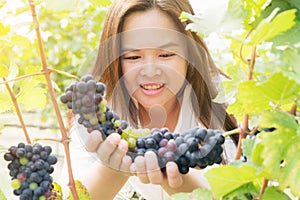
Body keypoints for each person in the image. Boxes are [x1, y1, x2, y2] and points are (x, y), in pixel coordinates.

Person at [59, 0, 239, 199]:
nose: (151, 72)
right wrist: (114, 167)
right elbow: (69, 195)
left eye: (166, 54)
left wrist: (177, 180)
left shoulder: (227, 101)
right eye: (133, 57)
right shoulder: (97, 111)